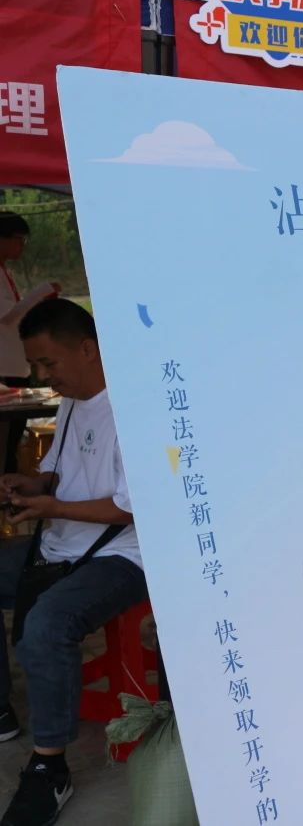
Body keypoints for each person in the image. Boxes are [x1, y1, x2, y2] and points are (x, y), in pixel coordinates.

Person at [0, 299, 146, 826]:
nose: (43, 376)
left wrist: (51, 508)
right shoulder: (71, 403)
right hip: (62, 543)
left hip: (120, 554)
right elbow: (58, 474)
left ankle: (49, 766)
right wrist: (32, 485)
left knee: (48, 624)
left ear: (88, 349)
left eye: (48, 363)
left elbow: (129, 509)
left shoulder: (133, 408)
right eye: (35, 365)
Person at [0, 213, 60, 475]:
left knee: (12, 437)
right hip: (5, 368)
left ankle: (9, 485)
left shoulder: (5, 271)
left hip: (14, 365)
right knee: (5, 438)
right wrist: (41, 293)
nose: (22, 246)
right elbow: (7, 316)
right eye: (19, 240)